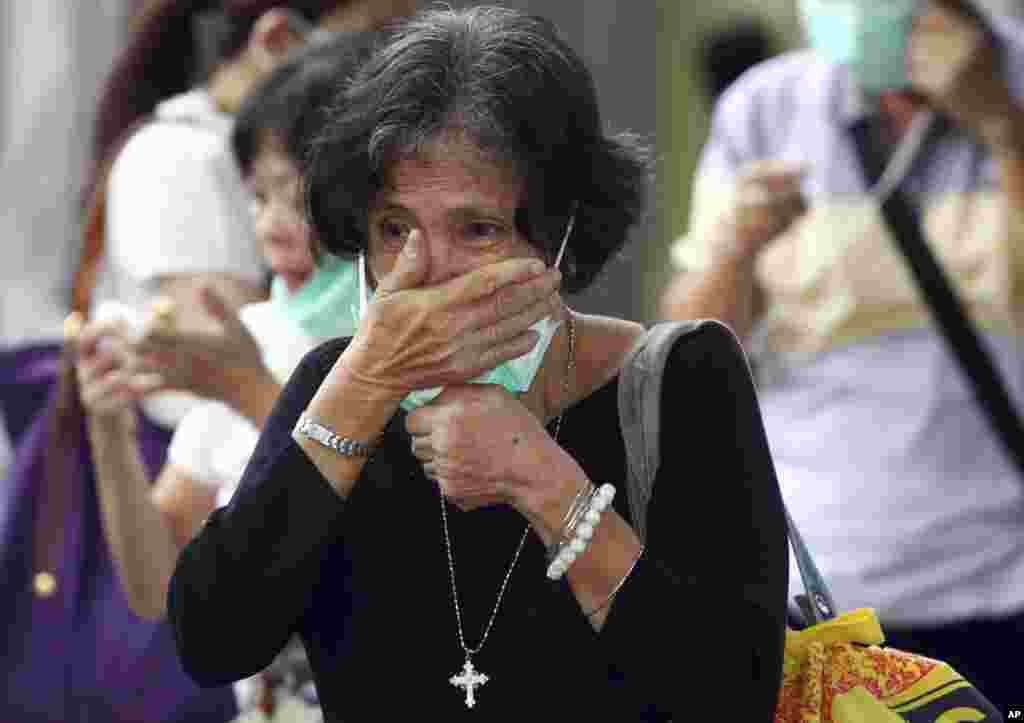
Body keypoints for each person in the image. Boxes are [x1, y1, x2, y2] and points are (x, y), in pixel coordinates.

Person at [167, 7, 790, 721]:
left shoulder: (679, 381)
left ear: (560, 237)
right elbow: (212, 639)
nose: (427, 270)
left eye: (478, 230)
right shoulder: (336, 386)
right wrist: (363, 387)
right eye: (394, 228)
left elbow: (731, 695)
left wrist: (544, 482)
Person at [660, 0, 1024, 709]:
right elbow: (688, 355)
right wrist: (736, 250)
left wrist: (1002, 125)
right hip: (822, 587)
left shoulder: (1012, 89)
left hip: (1001, 579)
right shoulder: (767, 107)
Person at [77, 33, 378, 721]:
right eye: (258, 195)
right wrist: (110, 427)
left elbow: (391, 542)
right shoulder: (254, 335)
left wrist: (245, 387)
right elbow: (156, 588)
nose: (272, 224)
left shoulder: (402, 346)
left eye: (298, 196)